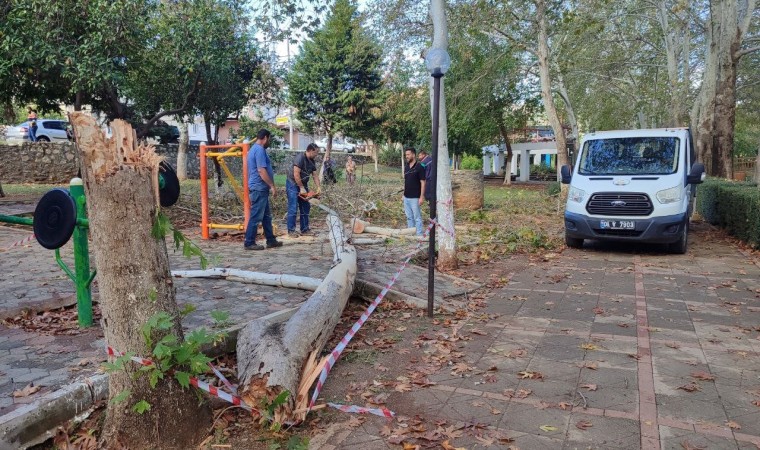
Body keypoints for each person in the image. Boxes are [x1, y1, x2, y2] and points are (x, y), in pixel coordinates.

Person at [243, 129, 282, 251]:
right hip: (259, 188)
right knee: (256, 216)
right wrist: (272, 185)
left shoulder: (254, 149)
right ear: (265, 138)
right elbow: (261, 170)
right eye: (269, 139)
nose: (269, 141)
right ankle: (249, 242)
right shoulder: (259, 150)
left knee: (266, 217)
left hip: (260, 188)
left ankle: (270, 240)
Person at [286, 143, 321, 237]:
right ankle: (291, 231)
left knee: (305, 206)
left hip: (303, 184)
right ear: (310, 150)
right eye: (316, 152)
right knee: (293, 207)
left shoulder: (312, 161)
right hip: (293, 183)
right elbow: (296, 174)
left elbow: (315, 175)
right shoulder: (300, 158)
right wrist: (301, 188)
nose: (317, 154)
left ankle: (305, 229)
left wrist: (318, 187)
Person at [403, 147, 426, 236]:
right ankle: (410, 234)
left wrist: (421, 196)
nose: (407, 156)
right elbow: (406, 182)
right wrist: (403, 195)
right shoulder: (406, 167)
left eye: (408, 154)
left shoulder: (420, 167)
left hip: (415, 197)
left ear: (413, 154)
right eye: (406, 155)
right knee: (409, 217)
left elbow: (423, 182)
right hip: (406, 197)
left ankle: (419, 234)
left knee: (417, 217)